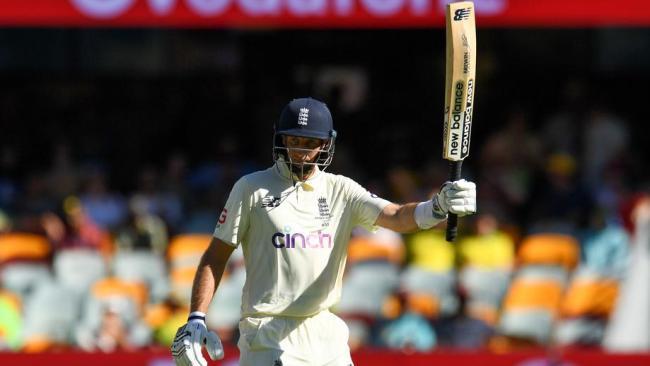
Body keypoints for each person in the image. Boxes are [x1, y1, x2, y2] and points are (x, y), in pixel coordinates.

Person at [170, 97, 477, 366]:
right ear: (280, 139)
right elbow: (216, 255)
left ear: (326, 144)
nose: (301, 151)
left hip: (325, 332)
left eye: (310, 143)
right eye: (294, 140)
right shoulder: (250, 188)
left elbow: (396, 216)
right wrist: (196, 317)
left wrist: (436, 206)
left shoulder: (340, 189)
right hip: (268, 332)